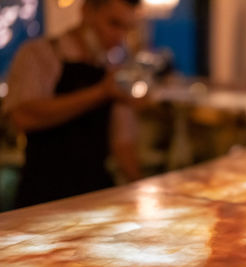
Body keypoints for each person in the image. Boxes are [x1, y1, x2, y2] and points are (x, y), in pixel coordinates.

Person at [2, 0, 143, 208]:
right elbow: (23, 117)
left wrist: (142, 190)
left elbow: (122, 145)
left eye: (126, 28)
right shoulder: (39, 54)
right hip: (43, 196)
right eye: (113, 23)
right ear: (86, 12)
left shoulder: (111, 71)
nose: (119, 37)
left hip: (95, 196)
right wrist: (100, 92)